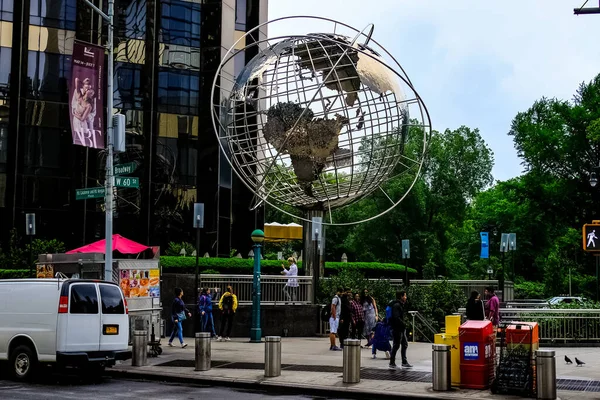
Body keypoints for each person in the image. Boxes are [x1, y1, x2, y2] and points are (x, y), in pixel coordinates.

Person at [388, 291, 412, 369]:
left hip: (401, 328)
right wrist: (403, 324)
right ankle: (392, 362)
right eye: (405, 296)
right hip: (397, 328)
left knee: (404, 344)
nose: (406, 297)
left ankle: (404, 361)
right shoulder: (397, 305)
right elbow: (396, 317)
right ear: (401, 297)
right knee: (396, 345)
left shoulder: (400, 304)